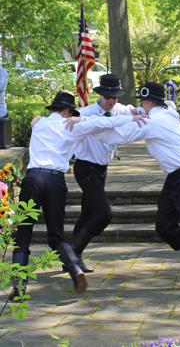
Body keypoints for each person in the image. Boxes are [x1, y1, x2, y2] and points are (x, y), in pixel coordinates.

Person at [75, 82, 180, 298]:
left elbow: (115, 137)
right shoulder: (166, 111)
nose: (140, 105)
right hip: (177, 176)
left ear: (149, 101)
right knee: (164, 227)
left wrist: (84, 124)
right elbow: (148, 110)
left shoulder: (154, 121)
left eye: (142, 101)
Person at [10, 91, 147, 300]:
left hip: (33, 179)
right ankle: (75, 270)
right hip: (55, 181)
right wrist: (131, 117)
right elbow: (102, 123)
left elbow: (34, 121)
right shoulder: (72, 125)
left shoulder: (39, 123)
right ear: (67, 111)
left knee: (23, 236)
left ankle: (19, 287)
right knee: (56, 235)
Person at [70, 74, 140, 273]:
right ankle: (74, 252)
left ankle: (73, 256)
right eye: (108, 97)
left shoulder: (119, 109)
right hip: (85, 168)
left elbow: (134, 110)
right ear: (100, 95)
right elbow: (66, 122)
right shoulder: (85, 112)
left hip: (101, 169)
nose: (111, 101)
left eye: (115, 97)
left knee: (87, 213)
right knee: (103, 213)